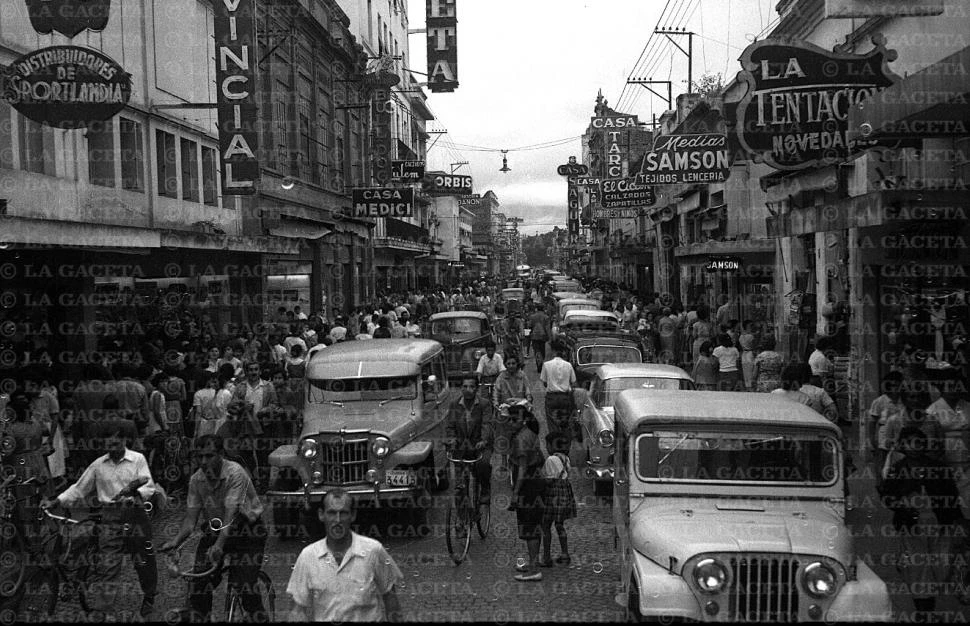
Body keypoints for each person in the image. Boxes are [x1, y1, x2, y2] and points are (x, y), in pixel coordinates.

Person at [41, 420, 158, 618]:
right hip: (110, 516)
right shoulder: (98, 464)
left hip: (136, 515)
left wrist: (136, 496)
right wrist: (57, 501)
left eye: (114, 443)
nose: (111, 448)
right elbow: (79, 488)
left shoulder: (138, 459)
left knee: (144, 560)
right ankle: (103, 611)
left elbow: (148, 486)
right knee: (108, 565)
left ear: (123, 440)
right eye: (107, 444)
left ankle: (149, 595)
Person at [160, 434, 267, 622]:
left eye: (209, 456)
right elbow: (190, 520)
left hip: (247, 530)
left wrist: (218, 545)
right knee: (199, 583)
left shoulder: (236, 473)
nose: (203, 461)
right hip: (216, 528)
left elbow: (231, 513)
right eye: (199, 457)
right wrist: (175, 541)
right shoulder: (196, 480)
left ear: (221, 455)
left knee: (245, 586)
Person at [879, 426, 964, 619]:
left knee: (940, 568)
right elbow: (887, 497)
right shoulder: (897, 470)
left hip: (939, 525)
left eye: (918, 442)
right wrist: (903, 506)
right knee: (919, 569)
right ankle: (924, 611)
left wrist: (958, 522)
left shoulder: (939, 468)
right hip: (911, 527)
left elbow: (952, 495)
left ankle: (928, 605)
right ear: (902, 446)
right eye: (909, 442)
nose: (914, 447)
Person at [286, 489, 403, 621]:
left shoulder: (373, 551)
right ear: (321, 515)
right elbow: (297, 610)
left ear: (353, 515)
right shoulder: (308, 556)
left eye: (343, 513)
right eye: (331, 513)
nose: (337, 520)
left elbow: (390, 598)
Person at [507, 404, 546, 582]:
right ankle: (532, 562)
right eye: (509, 419)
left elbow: (521, 469)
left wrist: (515, 492)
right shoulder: (530, 433)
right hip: (536, 482)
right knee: (533, 525)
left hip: (528, 486)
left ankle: (533, 569)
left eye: (513, 420)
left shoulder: (520, 439)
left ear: (522, 421)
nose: (510, 423)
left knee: (530, 527)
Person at [926, 370, 970, 517]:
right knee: (949, 493)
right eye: (950, 386)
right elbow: (931, 437)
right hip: (945, 454)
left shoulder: (967, 406)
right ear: (942, 388)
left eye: (958, 386)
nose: (954, 389)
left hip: (967, 453)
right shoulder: (933, 410)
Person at [445, 376, 494, 504]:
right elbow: (450, 426)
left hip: (480, 445)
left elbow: (487, 424)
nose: (468, 389)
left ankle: (485, 489)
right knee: (459, 484)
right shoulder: (454, 404)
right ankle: (461, 519)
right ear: (461, 388)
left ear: (476, 389)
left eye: (471, 387)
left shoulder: (484, 404)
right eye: (465, 386)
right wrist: (452, 439)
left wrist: (483, 440)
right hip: (461, 446)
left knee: (482, 465)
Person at [539, 432, 575, 568]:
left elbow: (549, 479)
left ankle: (546, 557)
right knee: (560, 525)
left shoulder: (550, 460)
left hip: (553, 494)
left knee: (546, 525)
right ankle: (565, 554)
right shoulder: (565, 458)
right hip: (565, 492)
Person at [539, 340, 577, 441]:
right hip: (565, 397)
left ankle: (555, 445)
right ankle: (565, 446)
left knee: (552, 423)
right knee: (565, 423)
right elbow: (573, 382)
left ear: (553, 351)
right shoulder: (568, 365)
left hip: (551, 398)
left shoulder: (546, 365)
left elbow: (544, 382)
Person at [527, 305, 551, 371]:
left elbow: (529, 325)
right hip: (543, 336)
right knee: (542, 351)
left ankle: (538, 365)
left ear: (536, 309)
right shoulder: (546, 317)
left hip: (534, 336)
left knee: (536, 351)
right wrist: (550, 337)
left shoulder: (532, 317)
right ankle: (541, 364)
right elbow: (547, 328)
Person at [738, 320, 756, 391]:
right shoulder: (751, 336)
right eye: (750, 326)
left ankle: (747, 387)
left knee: (745, 372)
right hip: (750, 354)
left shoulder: (741, 337)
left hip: (744, 355)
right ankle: (751, 387)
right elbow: (754, 345)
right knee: (751, 371)